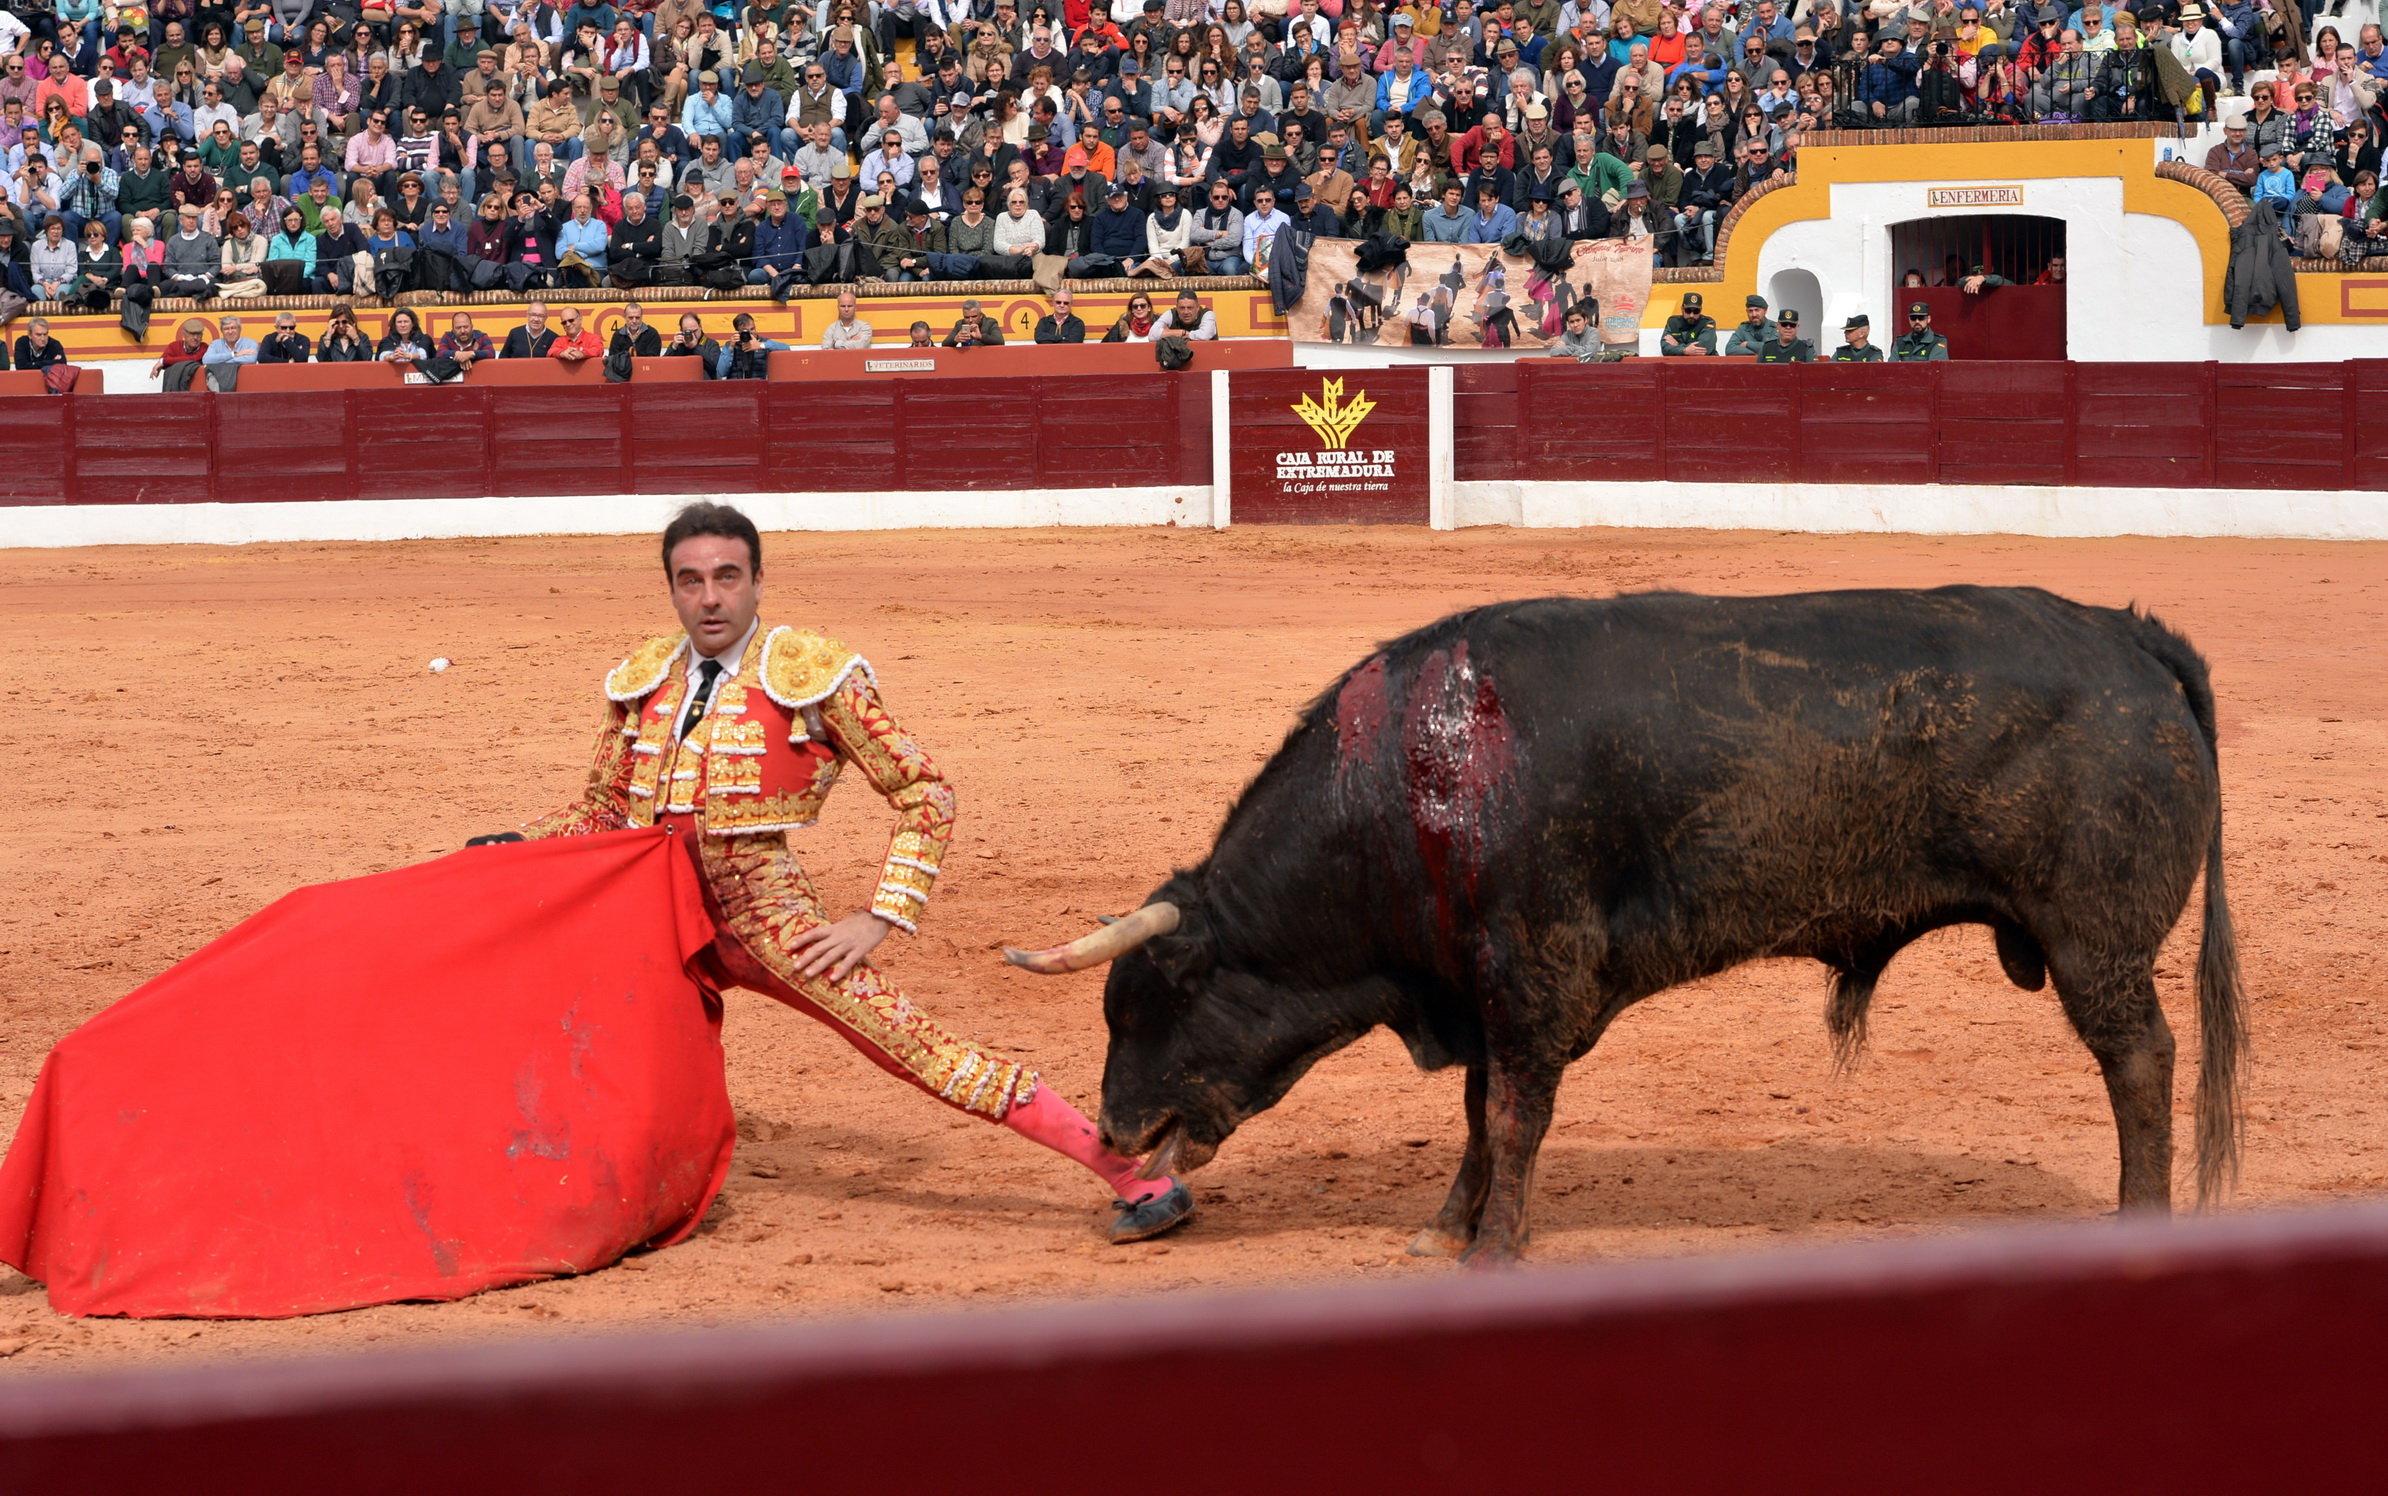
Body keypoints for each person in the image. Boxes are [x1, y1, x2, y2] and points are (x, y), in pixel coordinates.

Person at [465, 504, 1194, 1244]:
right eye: (691, 581)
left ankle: (1134, 1175)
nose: (710, 597)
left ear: (756, 583)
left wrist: (878, 914)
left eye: (726, 577)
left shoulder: (810, 676)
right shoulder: (644, 679)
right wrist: (518, 844)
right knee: (594, 1048)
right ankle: (589, 1199)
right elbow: (602, 809)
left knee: (914, 1045)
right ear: (672, 590)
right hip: (652, 921)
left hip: (769, 918)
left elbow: (925, 792)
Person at [201, 313, 259, 390]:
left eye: (233, 328)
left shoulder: (251, 343)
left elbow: (251, 360)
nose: (230, 332)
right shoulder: (215, 344)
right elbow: (206, 360)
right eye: (226, 329)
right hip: (219, 387)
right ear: (222, 331)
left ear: (239, 329)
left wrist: (219, 362)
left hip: (246, 385)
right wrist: (233, 354)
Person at [1660, 289, 1716, 354]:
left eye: (1696, 311)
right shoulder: (1673, 322)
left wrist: (1679, 346)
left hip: (1704, 363)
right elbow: (1665, 348)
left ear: (1700, 310)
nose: (1691, 315)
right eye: (1688, 310)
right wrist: (1685, 350)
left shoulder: (1708, 323)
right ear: (1682, 309)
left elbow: (1702, 350)